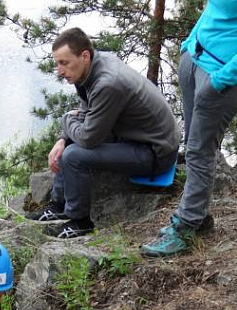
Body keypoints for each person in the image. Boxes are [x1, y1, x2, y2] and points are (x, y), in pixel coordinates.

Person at [141, 0, 237, 257]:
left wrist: (221, 79)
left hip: (220, 80)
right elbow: (212, 10)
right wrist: (189, 45)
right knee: (194, 146)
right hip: (196, 61)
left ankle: (186, 228)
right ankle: (198, 217)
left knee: (200, 151)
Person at [26, 28, 180, 239]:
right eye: (57, 63)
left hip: (154, 151)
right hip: (134, 136)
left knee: (74, 155)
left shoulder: (108, 83)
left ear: (85, 56)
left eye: (64, 63)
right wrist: (63, 137)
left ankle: (80, 221)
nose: (59, 71)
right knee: (69, 143)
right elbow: (85, 113)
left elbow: (89, 138)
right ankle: (58, 205)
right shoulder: (90, 68)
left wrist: (66, 120)